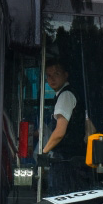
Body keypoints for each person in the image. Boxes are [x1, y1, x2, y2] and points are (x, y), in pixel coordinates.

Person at [41, 59, 93, 195]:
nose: (52, 79)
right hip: (74, 162)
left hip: (66, 163)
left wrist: (44, 152)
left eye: (56, 74)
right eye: (49, 75)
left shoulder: (65, 96)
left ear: (66, 75)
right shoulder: (68, 94)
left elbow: (59, 132)